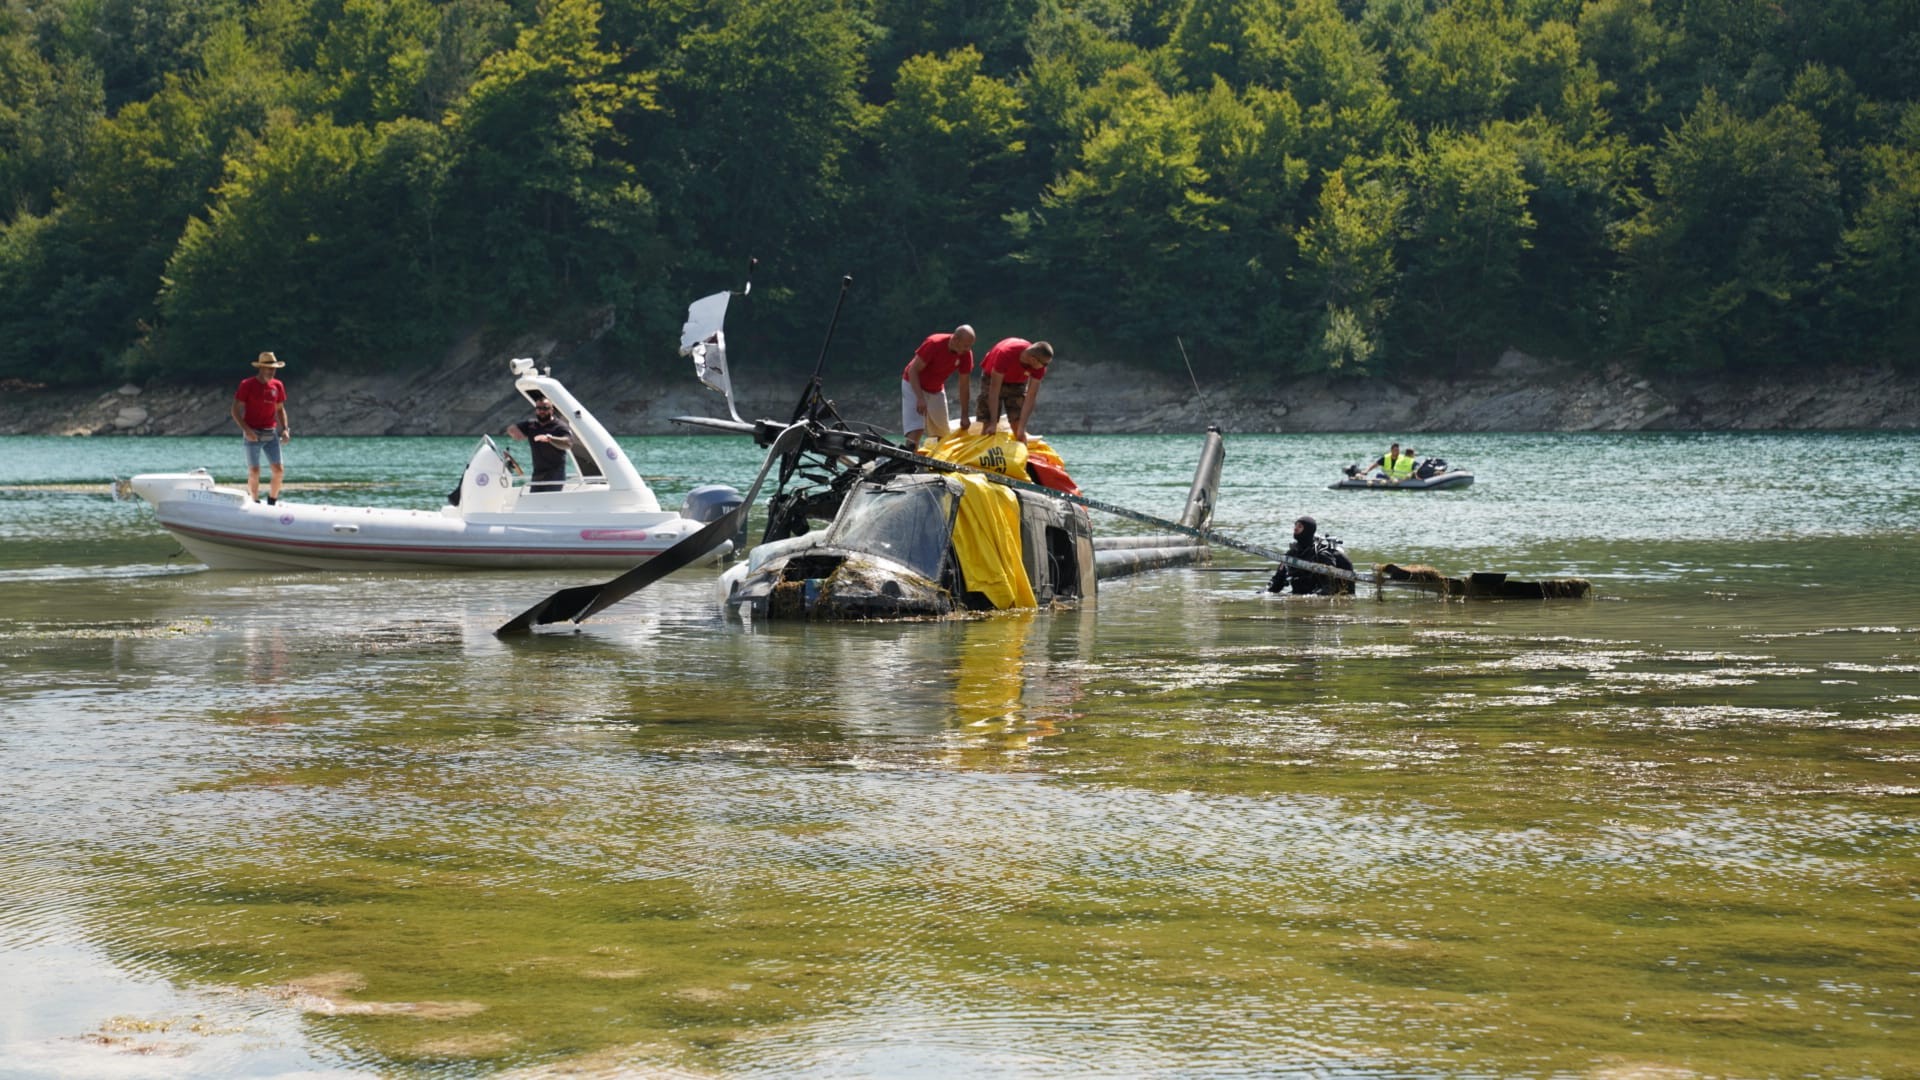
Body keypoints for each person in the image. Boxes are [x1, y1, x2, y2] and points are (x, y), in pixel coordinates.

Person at [901, 325, 976, 451]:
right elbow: (913, 371)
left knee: (943, 433)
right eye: (965, 345)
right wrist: (920, 398)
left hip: (936, 389)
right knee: (916, 428)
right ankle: (909, 456)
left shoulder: (966, 354)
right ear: (955, 339)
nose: (968, 349)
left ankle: (938, 458)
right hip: (913, 384)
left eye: (970, 346)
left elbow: (964, 386)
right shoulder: (934, 343)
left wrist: (964, 415)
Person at [231, 351, 291, 504]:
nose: (272, 371)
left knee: (278, 470)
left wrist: (285, 429)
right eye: (269, 368)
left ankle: (272, 501)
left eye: (274, 369)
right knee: (254, 470)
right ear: (261, 368)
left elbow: (280, 409)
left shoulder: (277, 385)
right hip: (252, 433)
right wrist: (247, 430)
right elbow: (235, 410)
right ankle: (255, 501)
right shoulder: (247, 385)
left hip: (270, 433)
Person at [974, 338, 1054, 442]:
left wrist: (1022, 428)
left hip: (1017, 382)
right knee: (989, 427)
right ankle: (985, 446)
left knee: (1018, 427)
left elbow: (1031, 396)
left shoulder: (1039, 366)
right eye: (1045, 364)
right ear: (1033, 360)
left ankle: (1021, 448)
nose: (1045, 367)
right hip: (992, 378)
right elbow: (994, 391)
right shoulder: (1005, 354)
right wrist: (993, 423)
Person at [1266, 515, 1354, 595]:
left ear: (1308, 530)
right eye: (1295, 525)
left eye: (1300, 526)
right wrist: (1265, 592)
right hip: (1298, 595)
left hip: (1316, 600)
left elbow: (1329, 587)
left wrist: (1311, 599)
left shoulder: (1321, 554)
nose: (1295, 529)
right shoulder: (1291, 555)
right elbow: (1277, 583)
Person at [507, 395, 574, 492]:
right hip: (538, 474)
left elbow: (568, 443)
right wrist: (519, 435)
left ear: (551, 410)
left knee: (550, 499)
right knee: (534, 499)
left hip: (555, 475)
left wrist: (550, 439)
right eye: (539, 408)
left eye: (545, 408)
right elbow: (511, 429)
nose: (542, 411)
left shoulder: (560, 426)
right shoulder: (531, 425)